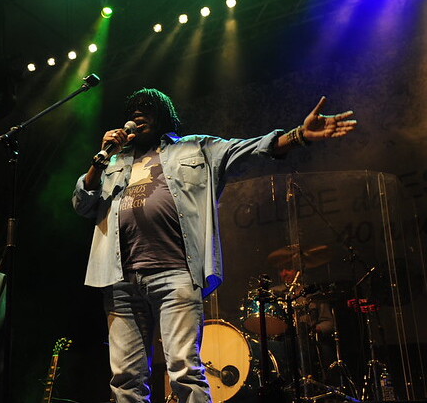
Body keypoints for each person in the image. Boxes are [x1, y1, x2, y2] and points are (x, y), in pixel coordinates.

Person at [71, 88, 357, 403]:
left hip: (176, 274)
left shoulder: (196, 148)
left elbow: (250, 149)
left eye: (147, 108)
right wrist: (100, 160)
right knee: (125, 380)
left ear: (164, 115)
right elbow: (82, 204)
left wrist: (299, 135)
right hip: (119, 279)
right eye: (133, 110)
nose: (138, 115)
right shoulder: (114, 161)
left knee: (184, 370)